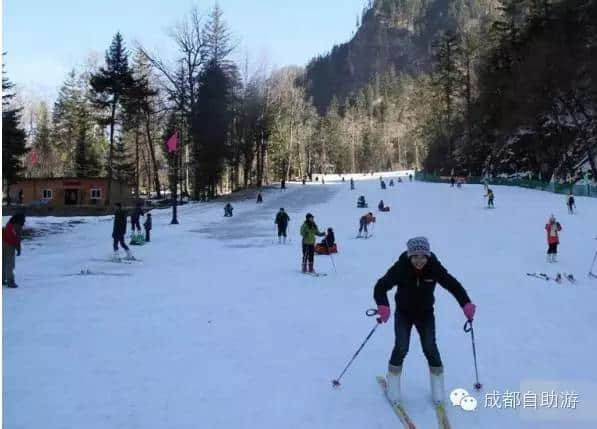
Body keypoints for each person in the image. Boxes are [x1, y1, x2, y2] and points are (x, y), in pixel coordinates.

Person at [373, 237, 476, 406]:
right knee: (401, 346)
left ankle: (437, 389)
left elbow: (453, 285)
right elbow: (381, 286)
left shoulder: (433, 267)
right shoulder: (401, 267)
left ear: (428, 256)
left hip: (425, 314)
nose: (419, 260)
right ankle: (393, 388)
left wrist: (465, 303)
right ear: (409, 256)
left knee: (430, 346)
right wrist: (383, 305)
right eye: (415, 256)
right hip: (403, 313)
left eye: (423, 256)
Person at [3, 213, 25, 288]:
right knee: (10, 264)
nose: (24, 222)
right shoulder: (18, 226)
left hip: (3, 242)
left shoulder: (9, 223)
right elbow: (17, 238)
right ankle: (10, 281)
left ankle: (2, 279)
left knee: (3, 262)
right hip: (10, 245)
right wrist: (18, 249)